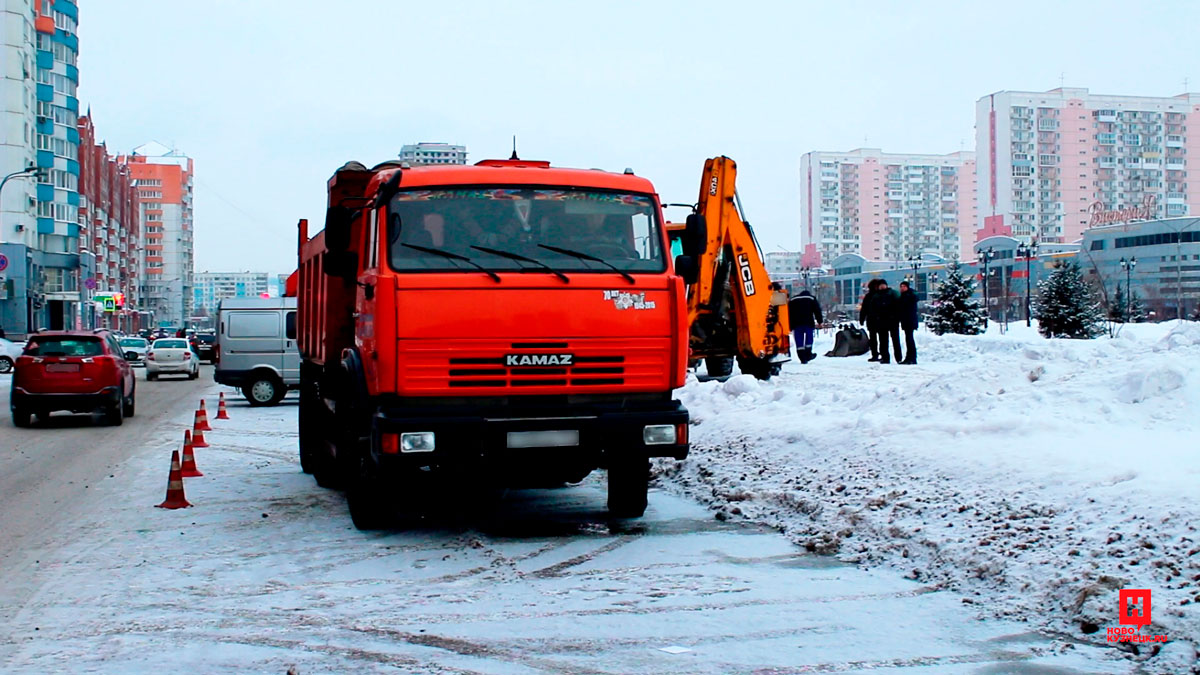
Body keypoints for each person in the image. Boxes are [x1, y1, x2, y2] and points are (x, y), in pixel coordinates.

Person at [869, 280, 902, 364]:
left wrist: (896, 316)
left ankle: (898, 357)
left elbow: (899, 306)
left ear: (886, 285)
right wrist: (876, 317)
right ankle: (885, 357)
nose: (882, 286)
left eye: (883, 285)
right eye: (881, 285)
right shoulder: (876, 296)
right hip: (881, 321)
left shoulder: (893, 293)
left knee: (895, 340)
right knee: (883, 341)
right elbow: (872, 308)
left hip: (893, 321)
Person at [788, 289, 823, 364]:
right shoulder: (811, 298)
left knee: (799, 341)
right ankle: (808, 355)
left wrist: (789, 325)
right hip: (808, 323)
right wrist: (820, 321)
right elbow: (817, 310)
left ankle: (802, 358)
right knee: (809, 339)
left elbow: (789, 313)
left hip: (796, 324)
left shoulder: (793, 300)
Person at [859, 279, 881, 361]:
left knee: (876, 338)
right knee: (875, 338)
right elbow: (864, 308)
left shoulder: (869, 296)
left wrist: (862, 318)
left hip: (874, 319)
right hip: (874, 319)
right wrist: (862, 318)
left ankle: (876, 354)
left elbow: (864, 309)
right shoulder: (871, 296)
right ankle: (876, 354)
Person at [898, 281, 919, 364]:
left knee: (909, 339)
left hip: (909, 320)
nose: (902, 288)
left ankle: (911, 357)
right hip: (906, 320)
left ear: (907, 287)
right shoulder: (904, 296)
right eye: (901, 286)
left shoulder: (909, 296)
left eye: (904, 286)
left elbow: (906, 308)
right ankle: (909, 357)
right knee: (908, 339)